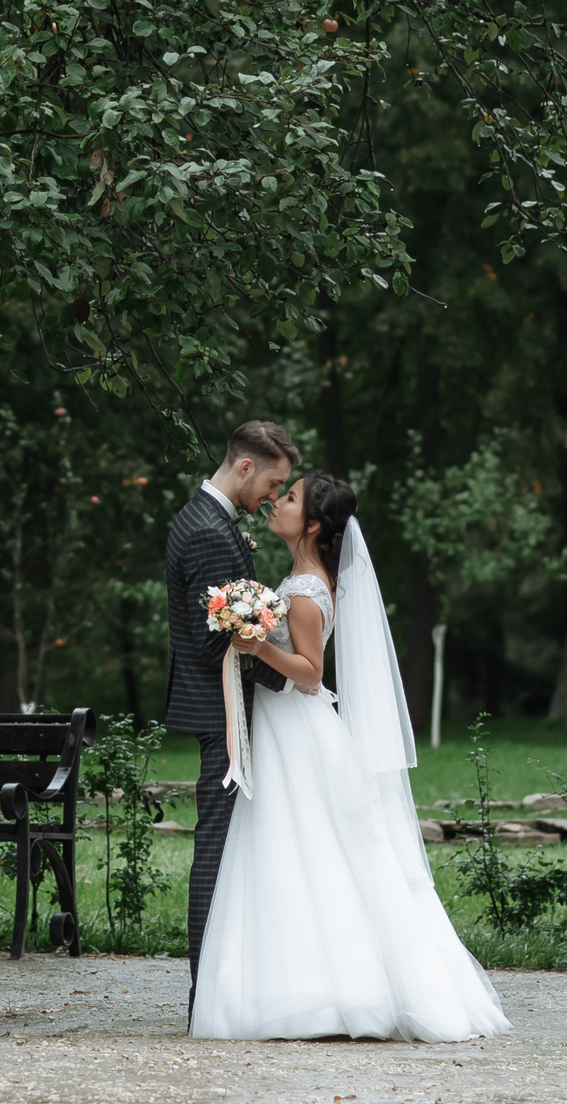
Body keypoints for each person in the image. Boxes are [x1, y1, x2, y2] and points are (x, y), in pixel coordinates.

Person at [190, 472, 511, 1042]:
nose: (278, 502)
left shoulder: (305, 592)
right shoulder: (297, 581)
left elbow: (311, 675)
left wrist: (256, 643)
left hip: (298, 728)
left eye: (289, 498)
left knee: (306, 847)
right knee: (295, 850)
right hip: (285, 728)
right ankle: (302, 989)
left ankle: (335, 993)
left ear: (312, 524)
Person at [162, 420, 298, 1016]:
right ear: (246, 467)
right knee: (217, 849)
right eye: (274, 482)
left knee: (232, 846)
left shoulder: (206, 519)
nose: (273, 495)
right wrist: (293, 679)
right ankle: (207, 998)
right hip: (223, 713)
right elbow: (218, 642)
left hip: (222, 708)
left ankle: (224, 990)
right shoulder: (210, 532)